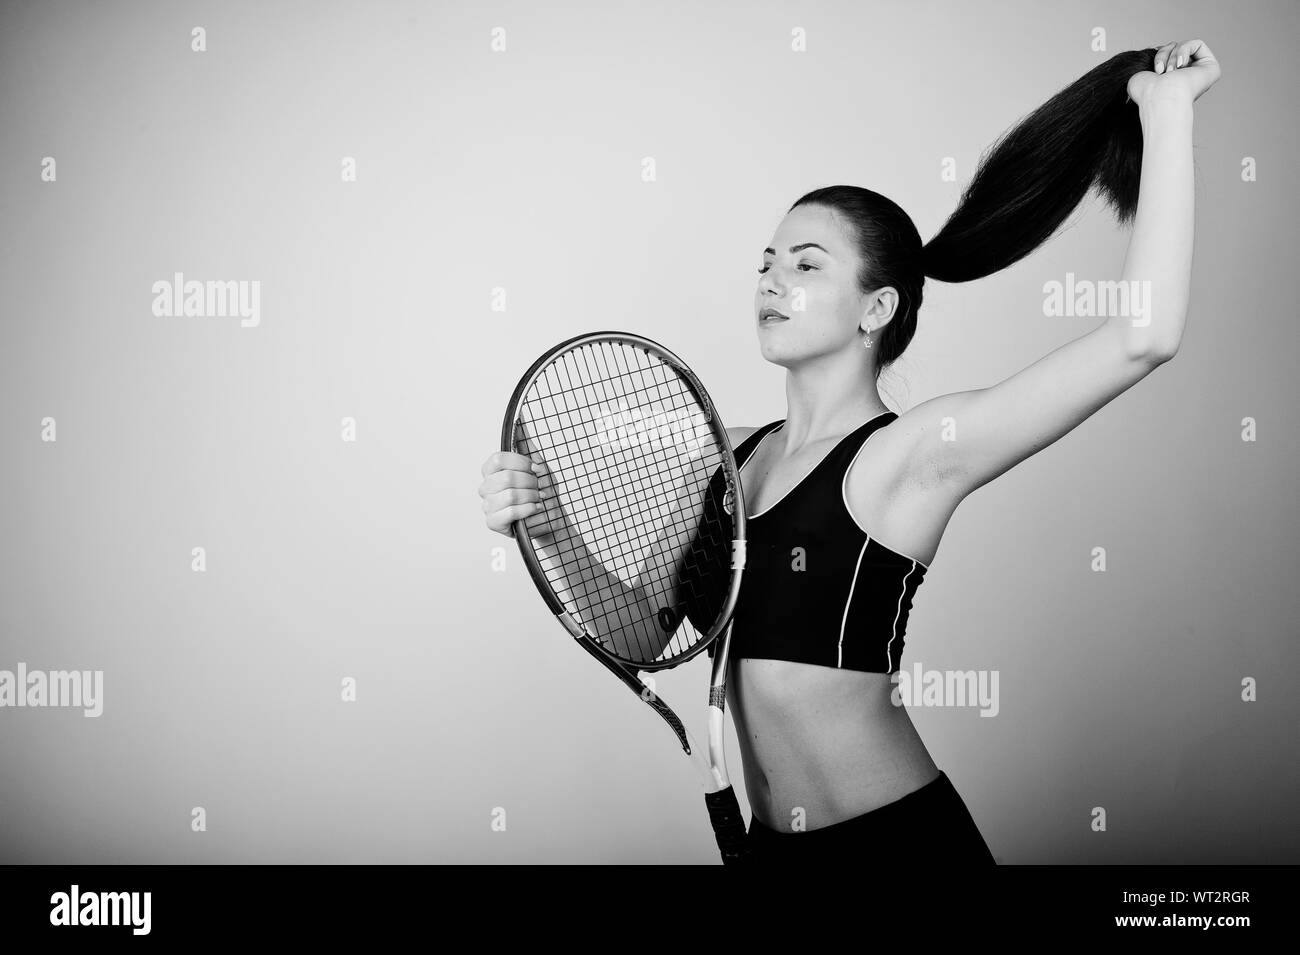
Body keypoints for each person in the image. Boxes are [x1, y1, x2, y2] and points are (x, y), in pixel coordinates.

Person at [478, 40, 1221, 864]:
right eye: (765, 264)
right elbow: (648, 634)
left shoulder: (913, 455)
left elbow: (1142, 337)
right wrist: (552, 527)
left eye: (805, 263)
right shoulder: (724, 458)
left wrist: (1167, 113)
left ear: (876, 310)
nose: (770, 281)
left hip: (900, 848)